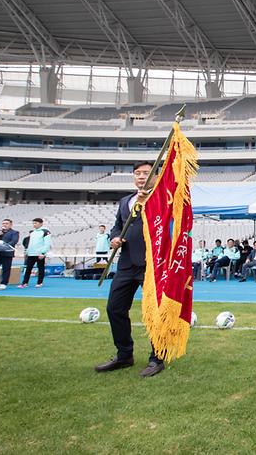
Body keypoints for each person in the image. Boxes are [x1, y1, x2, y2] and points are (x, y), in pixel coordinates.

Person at [95, 160, 164, 377]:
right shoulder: (125, 200)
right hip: (126, 263)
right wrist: (115, 237)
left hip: (152, 264)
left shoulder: (163, 198)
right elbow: (118, 224)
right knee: (114, 308)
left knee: (153, 313)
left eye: (146, 173)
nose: (141, 177)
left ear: (156, 175)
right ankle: (125, 355)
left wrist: (146, 203)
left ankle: (157, 358)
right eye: (137, 173)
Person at [20, 218, 51, 288]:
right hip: (31, 253)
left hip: (39, 254)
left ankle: (39, 282)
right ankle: (25, 283)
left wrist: (43, 253)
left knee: (40, 268)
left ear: (41, 223)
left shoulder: (45, 232)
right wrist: (27, 252)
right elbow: (30, 244)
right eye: (33, 223)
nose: (34, 224)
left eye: (36, 223)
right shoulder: (33, 232)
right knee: (28, 269)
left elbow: (47, 244)